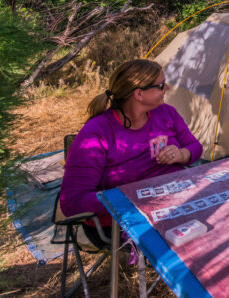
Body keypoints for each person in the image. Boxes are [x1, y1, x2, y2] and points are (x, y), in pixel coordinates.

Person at [60, 59, 203, 247]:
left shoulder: (166, 113)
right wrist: (135, 197)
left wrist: (181, 154)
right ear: (139, 94)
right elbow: (72, 202)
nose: (166, 88)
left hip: (175, 203)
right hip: (120, 221)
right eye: (160, 85)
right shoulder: (97, 133)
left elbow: (195, 147)